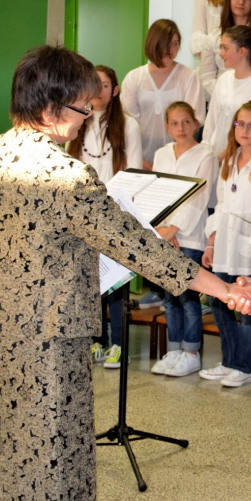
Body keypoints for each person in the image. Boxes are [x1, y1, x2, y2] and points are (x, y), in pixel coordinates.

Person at [0, 45, 251, 501]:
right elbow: (141, 249)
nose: (85, 120)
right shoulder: (65, 176)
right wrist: (226, 290)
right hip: (45, 343)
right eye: (81, 109)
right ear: (53, 108)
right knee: (35, 480)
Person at [67, 64, 142, 368]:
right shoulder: (77, 121)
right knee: (91, 282)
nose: (99, 91)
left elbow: (134, 170)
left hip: (115, 212)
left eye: (105, 85)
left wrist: (120, 210)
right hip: (85, 213)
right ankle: (96, 341)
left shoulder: (128, 125)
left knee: (116, 285)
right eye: (94, 85)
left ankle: (119, 345)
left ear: (115, 90)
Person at [201, 102, 251, 388]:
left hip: (250, 248)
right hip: (225, 245)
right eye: (240, 124)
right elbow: (221, 206)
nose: (245, 130)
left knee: (248, 307)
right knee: (219, 302)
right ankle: (229, 361)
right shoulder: (229, 161)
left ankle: (244, 367)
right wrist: (211, 243)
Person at [148, 101, 217, 377]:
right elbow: (155, 193)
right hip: (165, 234)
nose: (181, 128)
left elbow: (199, 197)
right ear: (167, 127)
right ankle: (174, 349)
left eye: (186, 122)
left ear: (196, 124)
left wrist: (174, 229)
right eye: (175, 123)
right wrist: (162, 229)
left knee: (187, 296)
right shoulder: (162, 154)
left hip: (190, 236)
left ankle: (191, 352)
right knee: (169, 296)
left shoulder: (205, 155)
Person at [120, 18, 205, 168]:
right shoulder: (134, 78)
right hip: (140, 157)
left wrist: (176, 159)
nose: (171, 50)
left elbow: (196, 119)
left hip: (179, 159)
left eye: (175, 44)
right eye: (166, 43)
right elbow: (127, 123)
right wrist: (139, 160)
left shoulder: (188, 76)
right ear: (154, 43)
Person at [200, 25, 251, 158]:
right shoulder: (224, 79)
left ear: (242, 51)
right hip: (214, 156)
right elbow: (211, 122)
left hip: (239, 159)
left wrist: (223, 157)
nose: (221, 53)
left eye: (225, 48)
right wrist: (206, 152)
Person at [195, 0, 251, 100]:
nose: (241, 2)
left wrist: (245, 98)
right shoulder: (213, 38)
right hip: (221, 100)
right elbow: (206, 79)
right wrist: (229, 96)